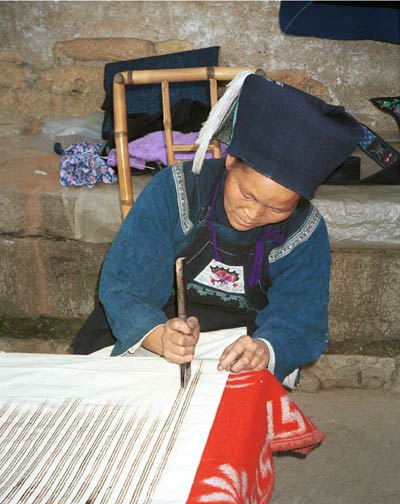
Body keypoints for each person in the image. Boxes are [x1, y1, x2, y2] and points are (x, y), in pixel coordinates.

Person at [72, 73, 362, 384]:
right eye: (246, 194)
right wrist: (159, 336)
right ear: (231, 159)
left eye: (277, 208)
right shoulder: (176, 189)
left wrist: (265, 348)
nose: (251, 213)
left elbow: (300, 318)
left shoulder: (306, 229)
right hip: (150, 324)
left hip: (240, 341)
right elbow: (126, 285)